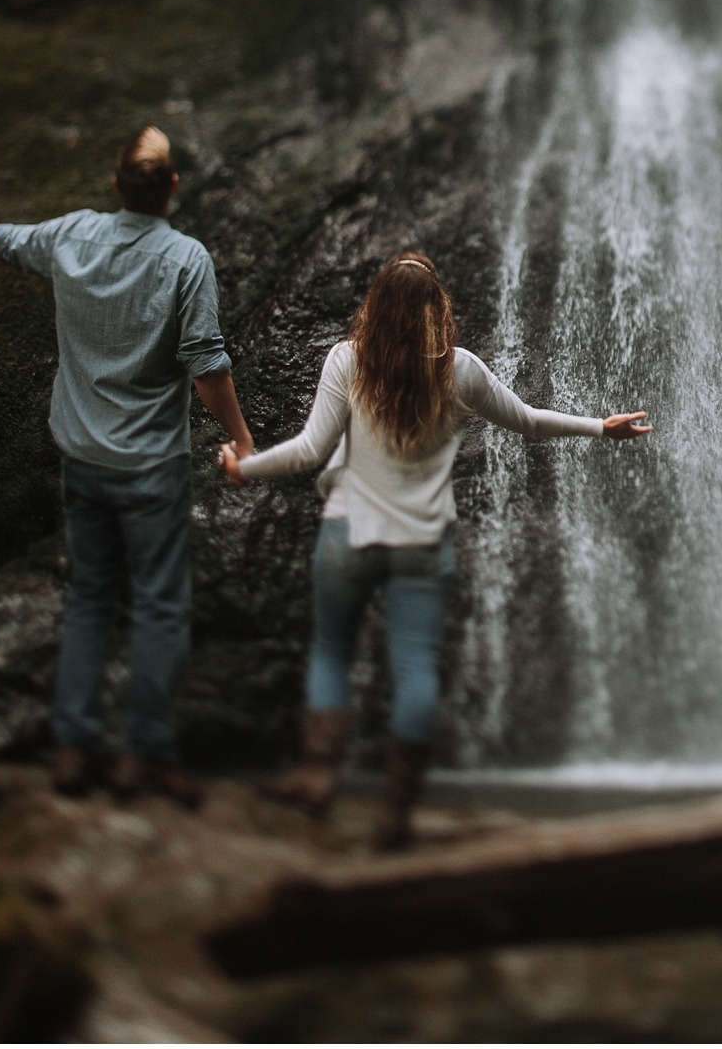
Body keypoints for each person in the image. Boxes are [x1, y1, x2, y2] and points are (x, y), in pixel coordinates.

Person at [0, 127, 254, 806]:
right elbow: (207, 366)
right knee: (159, 607)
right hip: (151, 468)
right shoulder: (186, 259)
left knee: (91, 599)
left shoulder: (73, 235)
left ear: (112, 185)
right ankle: (145, 755)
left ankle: (73, 750)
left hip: (83, 459)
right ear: (173, 189)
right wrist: (245, 442)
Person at [218, 250, 650, 850]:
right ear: (434, 310)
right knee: (416, 666)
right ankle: (395, 813)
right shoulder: (460, 369)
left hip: (349, 532)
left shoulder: (347, 359)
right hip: (423, 543)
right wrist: (599, 426)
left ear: (376, 307)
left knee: (331, 651)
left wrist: (246, 469)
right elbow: (526, 420)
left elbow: (310, 451)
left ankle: (317, 778)